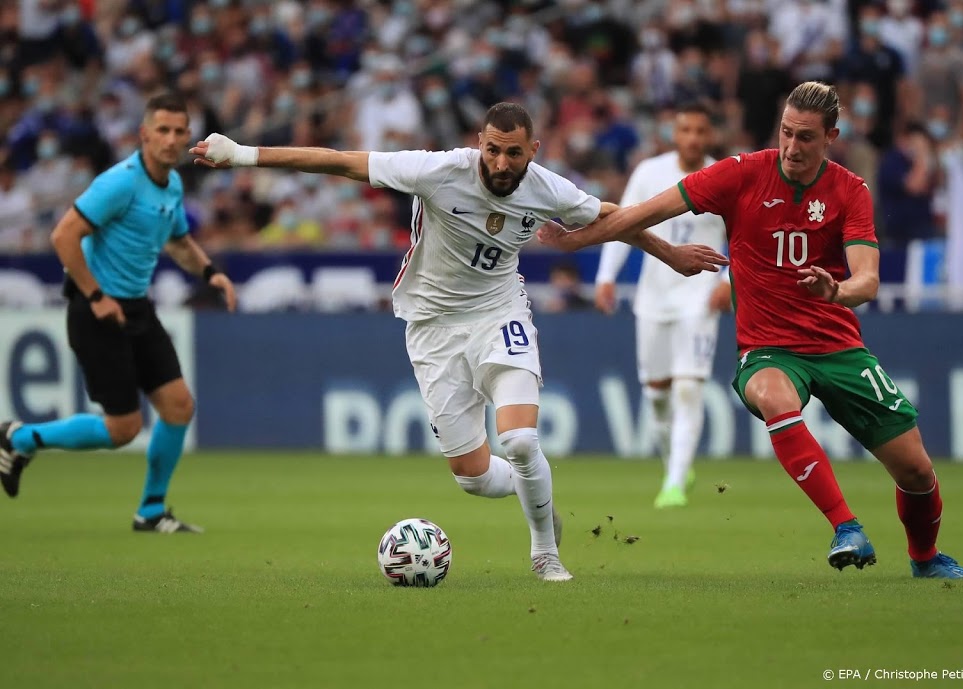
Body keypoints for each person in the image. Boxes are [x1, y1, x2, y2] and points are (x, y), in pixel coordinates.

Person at [190, 102, 727, 581]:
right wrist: (242, 154)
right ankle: (535, 494)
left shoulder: (548, 187)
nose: (499, 163)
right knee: (473, 478)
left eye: (513, 153)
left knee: (518, 441)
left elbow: (617, 217)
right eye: (491, 150)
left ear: (532, 150)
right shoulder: (438, 170)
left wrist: (672, 254)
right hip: (432, 327)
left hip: (500, 313)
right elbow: (338, 160)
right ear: (479, 143)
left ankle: (546, 551)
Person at [539, 82, 963, 580]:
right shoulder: (742, 173)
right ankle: (845, 526)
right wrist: (579, 242)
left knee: (916, 470)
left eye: (806, 138)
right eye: (787, 133)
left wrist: (837, 292)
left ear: (831, 136)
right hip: (768, 349)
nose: (792, 147)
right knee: (772, 395)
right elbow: (645, 212)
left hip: (839, 347)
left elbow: (868, 280)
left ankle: (925, 559)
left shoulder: (850, 190)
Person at [0, 93, 237, 534]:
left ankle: (150, 512)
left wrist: (211, 273)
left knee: (179, 406)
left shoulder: (172, 185)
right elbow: (64, 236)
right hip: (96, 310)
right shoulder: (120, 183)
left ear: (188, 136)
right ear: (143, 134)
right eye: (161, 130)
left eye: (178, 131)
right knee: (122, 428)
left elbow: (179, 243)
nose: (170, 139)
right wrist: (94, 297)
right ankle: (19, 438)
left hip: (135, 308)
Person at [594, 102, 730, 509]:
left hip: (700, 298)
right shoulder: (650, 173)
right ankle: (676, 463)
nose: (692, 137)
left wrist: (728, 281)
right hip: (653, 298)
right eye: (685, 129)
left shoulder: (725, 178)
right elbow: (622, 223)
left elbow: (745, 238)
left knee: (688, 387)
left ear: (710, 136)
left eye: (700, 131)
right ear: (674, 133)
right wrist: (606, 276)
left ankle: (672, 484)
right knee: (656, 394)